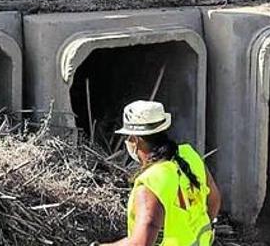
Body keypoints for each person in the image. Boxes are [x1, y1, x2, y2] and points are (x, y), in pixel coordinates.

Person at [93, 101, 222, 246]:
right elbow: (214, 200)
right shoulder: (189, 155)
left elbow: (140, 244)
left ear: (135, 140)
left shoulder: (150, 183)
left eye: (128, 137)